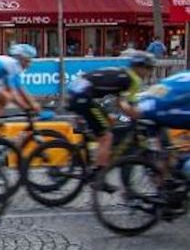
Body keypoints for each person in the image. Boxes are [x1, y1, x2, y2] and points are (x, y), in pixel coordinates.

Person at [66, 50, 156, 179]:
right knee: (107, 136)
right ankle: (99, 174)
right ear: (140, 68)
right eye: (149, 69)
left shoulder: (124, 73)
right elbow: (123, 104)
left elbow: (121, 102)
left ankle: (90, 155)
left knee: (105, 122)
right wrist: (137, 115)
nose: (150, 73)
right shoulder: (132, 79)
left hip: (76, 92)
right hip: (83, 96)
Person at [0, 44, 44, 116]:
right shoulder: (12, 64)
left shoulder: (11, 64)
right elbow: (13, 93)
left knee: (4, 98)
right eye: (27, 61)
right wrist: (27, 108)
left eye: (30, 61)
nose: (29, 65)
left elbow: (20, 88)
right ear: (20, 59)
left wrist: (33, 104)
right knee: (4, 97)